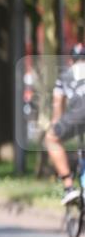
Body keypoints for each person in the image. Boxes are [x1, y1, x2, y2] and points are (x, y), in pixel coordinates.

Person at [44, 44, 85, 205]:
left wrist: (56, 123)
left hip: (78, 113)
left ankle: (68, 187)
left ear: (71, 60)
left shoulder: (65, 75)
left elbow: (58, 106)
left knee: (51, 138)